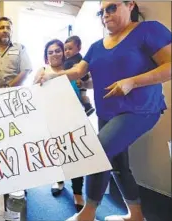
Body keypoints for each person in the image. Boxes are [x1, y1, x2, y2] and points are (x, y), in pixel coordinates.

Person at [35, 1, 171, 221]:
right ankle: (136, 215)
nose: (105, 15)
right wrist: (52, 75)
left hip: (140, 109)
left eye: (111, 8)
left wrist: (133, 82)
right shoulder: (97, 45)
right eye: (101, 11)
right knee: (117, 163)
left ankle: (87, 213)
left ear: (130, 5)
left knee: (97, 152)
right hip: (107, 113)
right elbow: (79, 71)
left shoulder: (149, 30)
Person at [36, 39, 85, 212]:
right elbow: (33, 92)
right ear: (46, 57)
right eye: (50, 52)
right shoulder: (43, 70)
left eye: (58, 50)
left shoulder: (72, 70)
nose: (55, 54)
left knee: (76, 155)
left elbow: (83, 87)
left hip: (73, 117)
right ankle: (59, 180)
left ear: (64, 53)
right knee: (57, 152)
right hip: (52, 117)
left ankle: (78, 192)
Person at [64, 35, 95, 116]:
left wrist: (82, 80)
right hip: (77, 83)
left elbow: (81, 71)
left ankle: (88, 107)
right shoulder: (68, 60)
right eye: (65, 49)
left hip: (80, 83)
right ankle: (87, 107)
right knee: (83, 96)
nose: (67, 51)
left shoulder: (78, 59)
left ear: (79, 48)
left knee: (82, 96)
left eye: (70, 49)